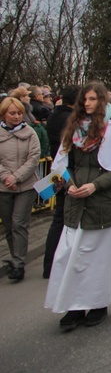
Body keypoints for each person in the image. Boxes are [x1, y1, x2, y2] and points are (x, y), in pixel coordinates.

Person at [45, 81, 111, 330]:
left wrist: (94, 186)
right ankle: (74, 307)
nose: (87, 103)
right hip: (75, 202)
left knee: (96, 260)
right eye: (84, 99)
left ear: (101, 101)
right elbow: (61, 164)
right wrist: (69, 186)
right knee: (70, 257)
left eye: (92, 99)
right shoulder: (73, 127)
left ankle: (98, 305)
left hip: (100, 204)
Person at [0, 97, 41, 281]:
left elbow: (34, 158)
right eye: (12, 113)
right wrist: (6, 177)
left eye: (19, 113)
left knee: (19, 223)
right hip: (4, 186)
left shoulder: (30, 133)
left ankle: (19, 263)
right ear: (4, 114)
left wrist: (16, 177)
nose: (16, 117)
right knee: (8, 225)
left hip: (25, 186)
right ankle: (14, 255)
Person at [42, 85, 80, 279]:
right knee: (65, 218)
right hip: (67, 171)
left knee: (58, 217)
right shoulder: (70, 120)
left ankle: (48, 264)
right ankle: (57, 264)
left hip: (55, 172)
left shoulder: (53, 116)